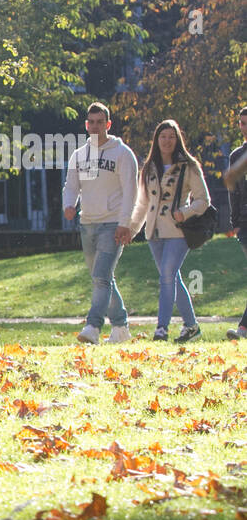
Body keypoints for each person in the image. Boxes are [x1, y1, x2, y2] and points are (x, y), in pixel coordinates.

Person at [120, 119, 211, 343]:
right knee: (172, 279)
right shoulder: (149, 167)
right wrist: (131, 229)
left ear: (177, 139)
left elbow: (204, 200)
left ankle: (162, 328)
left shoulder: (188, 166)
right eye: (163, 137)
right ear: (156, 140)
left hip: (178, 231)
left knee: (166, 276)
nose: (167, 141)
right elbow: (142, 204)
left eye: (171, 136)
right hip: (154, 232)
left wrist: (185, 212)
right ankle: (191, 327)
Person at [62, 101, 139, 344]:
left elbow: (131, 191)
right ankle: (121, 328)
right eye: (91, 122)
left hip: (113, 223)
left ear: (108, 124)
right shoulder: (79, 154)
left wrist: (125, 223)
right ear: (87, 125)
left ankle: (93, 327)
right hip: (87, 223)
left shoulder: (122, 154)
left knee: (101, 278)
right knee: (103, 277)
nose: (95, 127)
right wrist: (69, 204)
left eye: (100, 122)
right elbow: (71, 185)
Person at [226, 106, 247, 340]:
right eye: (242, 123)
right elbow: (234, 192)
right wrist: (236, 222)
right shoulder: (236, 156)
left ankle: (243, 328)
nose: (244, 128)